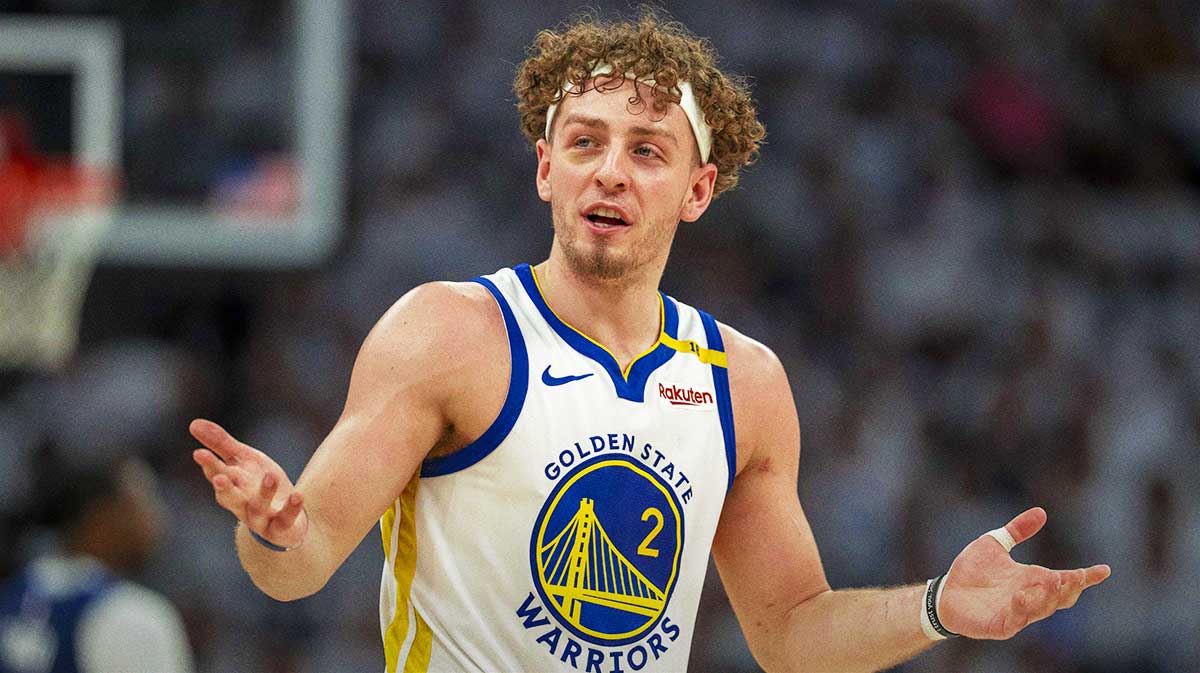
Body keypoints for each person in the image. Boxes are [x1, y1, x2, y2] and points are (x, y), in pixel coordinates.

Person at [190, 11, 1109, 673]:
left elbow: (792, 634)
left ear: (697, 190)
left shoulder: (744, 380)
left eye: (646, 150)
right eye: (584, 142)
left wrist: (937, 606)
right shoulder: (450, 331)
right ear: (545, 169)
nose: (610, 171)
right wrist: (275, 527)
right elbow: (300, 564)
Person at [0, 450, 195, 673]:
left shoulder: (10, 597)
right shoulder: (131, 615)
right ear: (102, 517)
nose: (158, 519)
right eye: (145, 502)